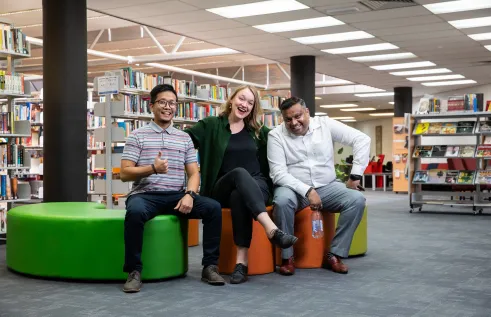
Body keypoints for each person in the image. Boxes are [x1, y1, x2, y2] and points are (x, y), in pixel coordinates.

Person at [185, 85, 298, 284]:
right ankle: (271, 228)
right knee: (238, 174)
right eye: (242, 99)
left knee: (240, 195)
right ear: (231, 99)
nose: (244, 104)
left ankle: (241, 264)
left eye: (250, 102)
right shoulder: (212, 125)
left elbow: (285, 141)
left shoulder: (259, 132)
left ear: (253, 108)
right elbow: (183, 140)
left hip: (257, 186)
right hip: (221, 188)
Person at [120, 84, 225, 293]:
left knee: (213, 208)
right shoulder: (137, 136)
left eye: (172, 103)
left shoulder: (184, 137)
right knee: (135, 212)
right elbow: (124, 173)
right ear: (152, 106)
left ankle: (209, 266)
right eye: (162, 102)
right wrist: (152, 168)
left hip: (176, 196)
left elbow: (194, 173)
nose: (168, 107)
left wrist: (190, 194)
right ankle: (134, 271)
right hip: (145, 195)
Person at [268, 96, 370, 276]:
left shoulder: (325, 125)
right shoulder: (276, 135)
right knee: (282, 201)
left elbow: (361, 139)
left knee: (357, 200)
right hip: (292, 188)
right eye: (288, 119)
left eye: (298, 116)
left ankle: (335, 254)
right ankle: (287, 258)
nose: (294, 122)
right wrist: (307, 191)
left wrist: (355, 175)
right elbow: (278, 173)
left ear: (307, 112)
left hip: (327, 186)